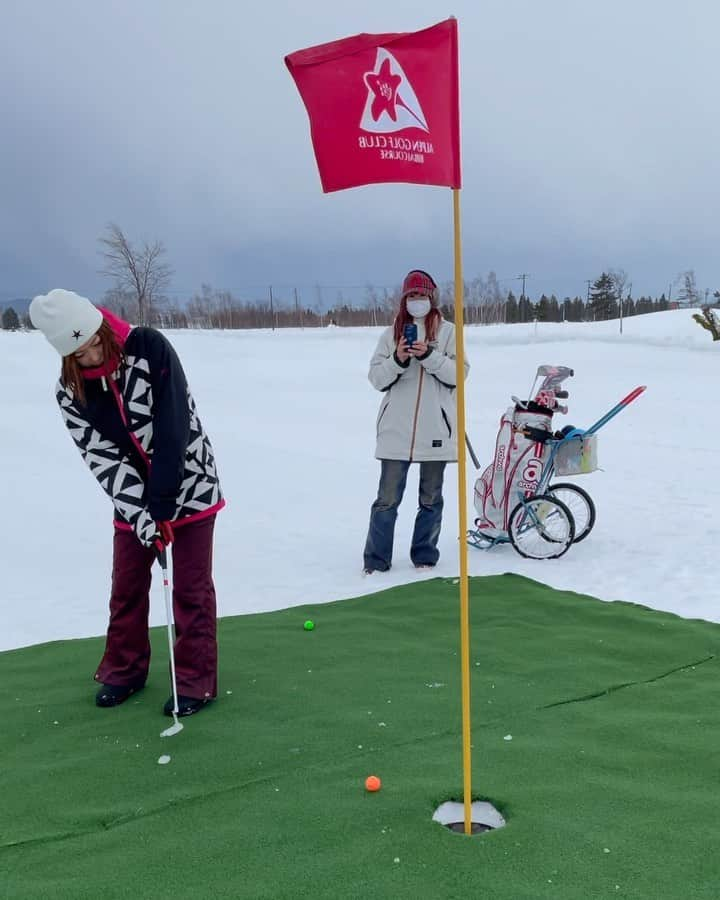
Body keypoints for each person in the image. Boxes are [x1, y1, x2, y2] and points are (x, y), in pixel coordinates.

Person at [29, 289, 224, 717]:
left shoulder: (149, 347)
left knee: (190, 589)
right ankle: (125, 670)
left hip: (190, 484)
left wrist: (163, 506)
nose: (93, 353)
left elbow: (176, 426)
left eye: (96, 340)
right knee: (126, 587)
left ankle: (194, 680)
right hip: (132, 499)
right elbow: (104, 460)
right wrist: (144, 516)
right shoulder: (70, 392)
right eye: (80, 353)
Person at [362, 270, 469, 574]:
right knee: (386, 501)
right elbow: (376, 378)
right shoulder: (391, 334)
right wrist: (398, 358)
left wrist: (429, 356)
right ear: (404, 300)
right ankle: (376, 561)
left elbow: (458, 375)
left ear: (431, 298)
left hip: (436, 430)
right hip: (396, 432)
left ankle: (424, 556)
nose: (417, 301)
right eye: (412, 296)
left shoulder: (448, 333)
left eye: (422, 296)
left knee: (431, 499)